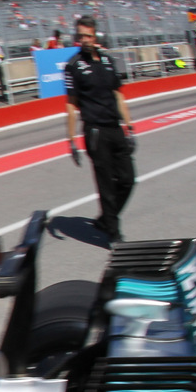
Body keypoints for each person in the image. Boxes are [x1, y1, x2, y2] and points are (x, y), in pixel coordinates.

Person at [64, 15, 137, 244]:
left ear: (96, 37)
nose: (84, 40)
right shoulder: (73, 66)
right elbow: (71, 104)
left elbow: (118, 94)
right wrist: (71, 140)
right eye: (80, 36)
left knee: (128, 179)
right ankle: (114, 237)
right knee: (106, 185)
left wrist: (130, 126)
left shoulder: (107, 60)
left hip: (115, 128)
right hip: (95, 132)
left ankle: (107, 218)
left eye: (88, 35)